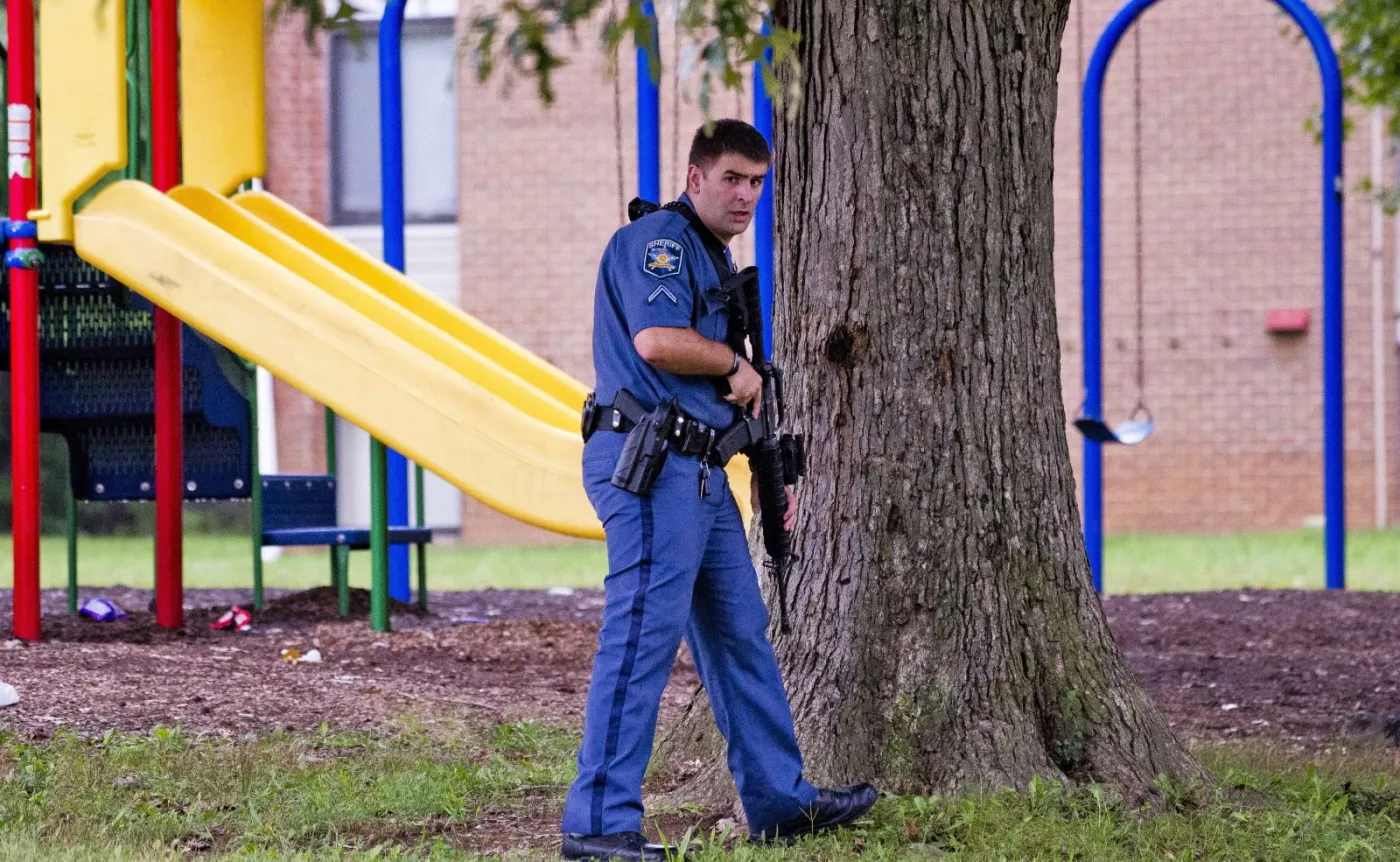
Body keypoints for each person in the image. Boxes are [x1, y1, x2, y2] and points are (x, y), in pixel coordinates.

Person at [560, 119, 878, 862]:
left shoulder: (712, 259)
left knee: (741, 639)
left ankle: (780, 800)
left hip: (703, 476)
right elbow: (657, 341)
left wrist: (767, 472)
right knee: (641, 639)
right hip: (653, 471)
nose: (746, 195)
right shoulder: (660, 243)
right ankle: (598, 824)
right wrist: (735, 369)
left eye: (757, 182)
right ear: (696, 177)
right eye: (732, 178)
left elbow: (726, 396)